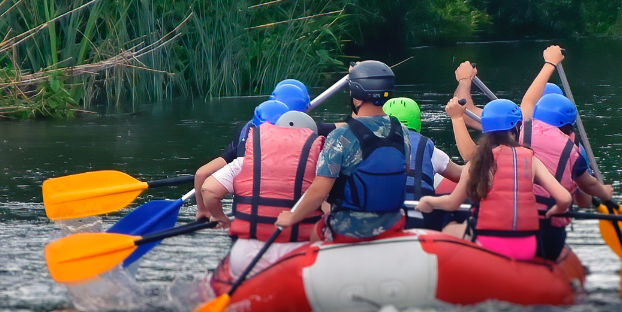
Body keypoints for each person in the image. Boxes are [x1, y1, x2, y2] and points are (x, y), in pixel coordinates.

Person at [414, 99, 571, 260]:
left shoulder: (478, 161)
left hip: (488, 244)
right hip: (527, 246)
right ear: (516, 128)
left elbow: (452, 203)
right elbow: (565, 198)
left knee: (448, 222)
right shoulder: (531, 159)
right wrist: (556, 211)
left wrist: (428, 202)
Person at [273, 60, 410, 242]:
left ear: (357, 96)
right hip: (393, 224)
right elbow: (404, 169)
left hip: (349, 229)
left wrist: (293, 217)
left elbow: (319, 192)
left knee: (317, 230)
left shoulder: (340, 136)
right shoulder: (402, 131)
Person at [197, 98, 324, 285]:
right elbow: (329, 210)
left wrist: (219, 216)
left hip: (247, 255)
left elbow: (207, 188)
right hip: (298, 255)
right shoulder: (322, 168)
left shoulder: (243, 162)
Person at [516, 44, 616, 261]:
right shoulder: (574, 150)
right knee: (554, 253)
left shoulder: (523, 129)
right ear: (570, 125)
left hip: (516, 220)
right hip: (550, 229)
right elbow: (586, 190)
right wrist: (604, 193)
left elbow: (527, 102)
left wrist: (550, 63)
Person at [191, 77, 314, 197]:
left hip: (245, 197)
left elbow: (202, 174)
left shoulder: (245, 137)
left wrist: (203, 212)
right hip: (284, 202)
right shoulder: (307, 137)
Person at [383, 95, 463, 231]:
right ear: (417, 121)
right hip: (419, 216)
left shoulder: (367, 143)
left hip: (380, 216)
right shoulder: (427, 146)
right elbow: (460, 175)